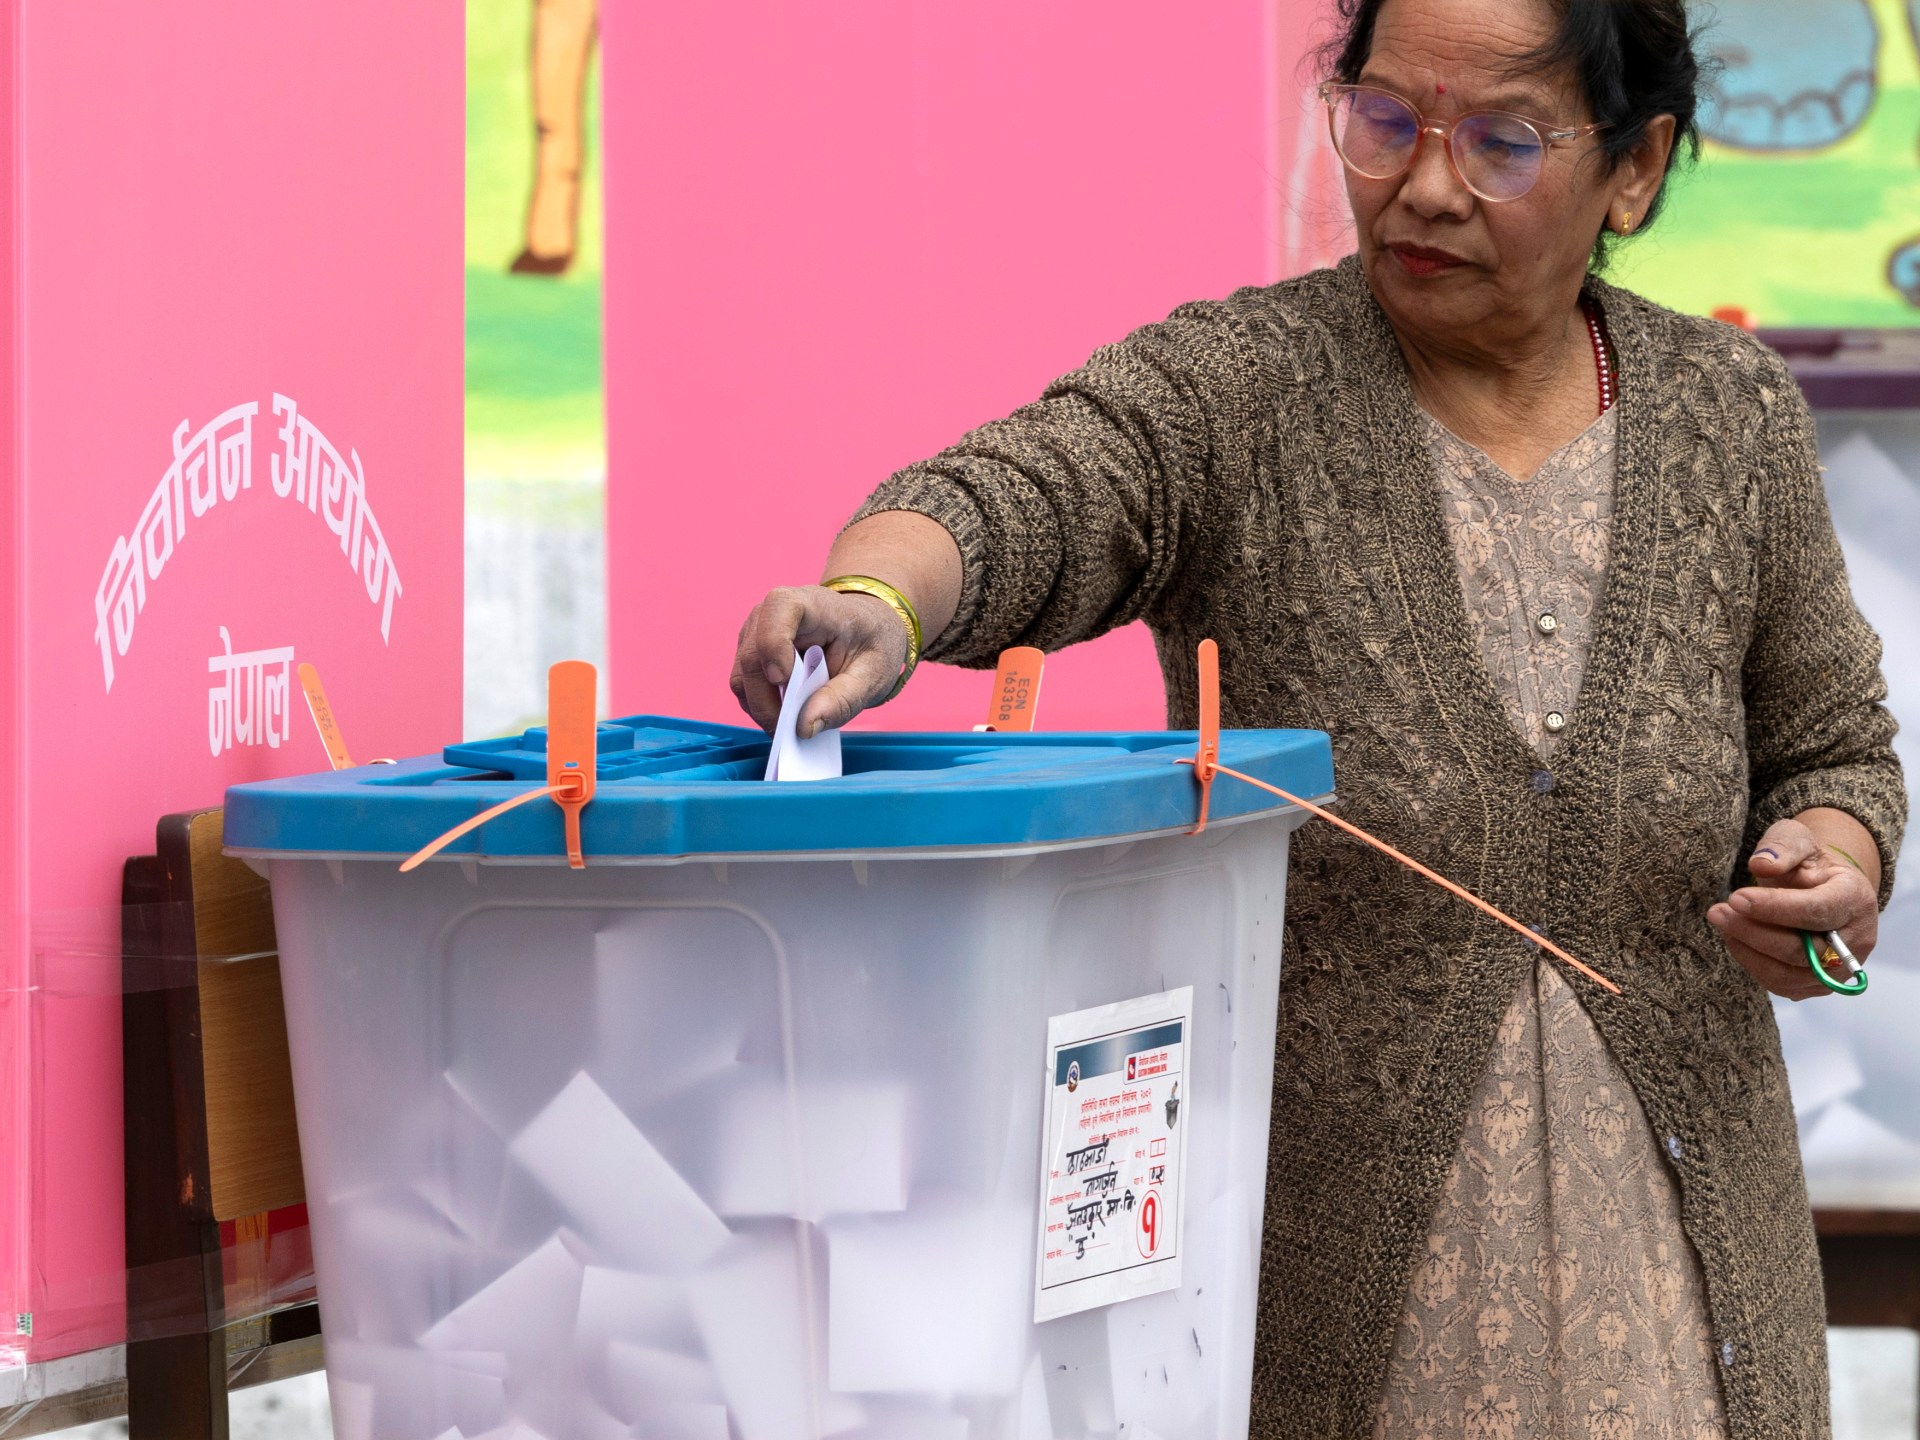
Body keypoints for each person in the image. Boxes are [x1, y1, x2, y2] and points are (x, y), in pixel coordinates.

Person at [728, 0, 1907, 1434]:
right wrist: (882, 598)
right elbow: (1032, 490)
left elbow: (1833, 747)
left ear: (1635, 168)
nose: (1422, 187)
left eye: (1502, 143)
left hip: (1687, 1318)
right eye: (1386, 120)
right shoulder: (1240, 395)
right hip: (1329, 1319)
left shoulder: (1733, 418)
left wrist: (1833, 867)